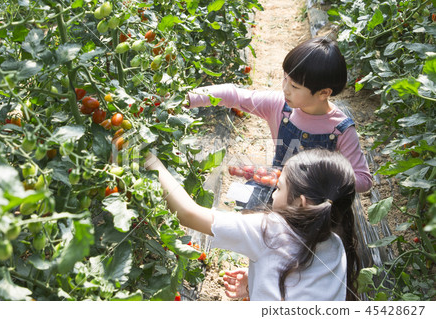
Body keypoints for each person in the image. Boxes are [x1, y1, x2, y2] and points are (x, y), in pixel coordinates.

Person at [144, 149, 361, 301]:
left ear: (300, 203)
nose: (274, 193)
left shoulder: (270, 230)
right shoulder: (336, 244)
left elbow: (188, 214)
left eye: (279, 188)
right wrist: (259, 280)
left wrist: (150, 160)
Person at [185, 37, 372, 209]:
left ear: (324, 93)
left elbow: (363, 180)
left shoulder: (340, 129)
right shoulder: (279, 106)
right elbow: (232, 95)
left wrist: (321, 178)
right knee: (249, 201)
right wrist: (187, 98)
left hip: (313, 202)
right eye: (285, 78)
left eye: (295, 86)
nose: (285, 89)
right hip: (277, 185)